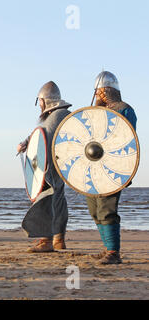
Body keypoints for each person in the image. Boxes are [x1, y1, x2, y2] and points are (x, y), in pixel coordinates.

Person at [87, 71, 137, 264]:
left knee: (106, 209)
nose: (97, 94)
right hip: (91, 167)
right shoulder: (94, 113)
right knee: (94, 210)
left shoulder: (125, 109)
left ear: (107, 90)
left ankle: (113, 253)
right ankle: (108, 248)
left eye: (99, 91)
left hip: (113, 167)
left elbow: (126, 139)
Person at [18, 81, 71, 252]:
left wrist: (29, 144)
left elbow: (45, 136)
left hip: (49, 166)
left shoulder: (56, 117)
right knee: (59, 199)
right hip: (61, 164)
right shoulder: (61, 115)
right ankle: (59, 239)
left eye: (40, 101)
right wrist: (27, 142)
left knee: (46, 199)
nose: (39, 105)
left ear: (44, 101)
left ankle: (46, 240)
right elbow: (39, 134)